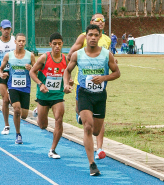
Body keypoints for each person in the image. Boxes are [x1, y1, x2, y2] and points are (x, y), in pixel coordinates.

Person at [64, 24, 120, 176]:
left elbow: (117, 73)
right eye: (90, 35)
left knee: (96, 130)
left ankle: (83, 118)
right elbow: (67, 70)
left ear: (100, 36)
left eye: (96, 35)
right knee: (88, 128)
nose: (93, 38)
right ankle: (92, 164)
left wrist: (104, 77)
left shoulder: (106, 55)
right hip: (84, 94)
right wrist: (66, 83)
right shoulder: (78, 54)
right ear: (86, 37)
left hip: (100, 95)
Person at [66, 13, 111, 160]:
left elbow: (111, 62)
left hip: (99, 85)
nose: (100, 22)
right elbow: (71, 54)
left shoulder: (107, 40)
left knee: (97, 124)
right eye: (97, 20)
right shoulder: (82, 37)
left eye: (102, 20)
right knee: (85, 120)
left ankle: (100, 148)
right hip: (82, 83)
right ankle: (94, 156)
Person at [30, 32, 67, 159]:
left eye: (59, 44)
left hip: (57, 95)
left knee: (59, 119)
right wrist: (40, 84)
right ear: (50, 44)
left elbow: (67, 75)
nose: (57, 46)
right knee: (42, 125)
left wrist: (68, 83)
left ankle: (53, 149)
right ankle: (37, 110)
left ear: (62, 44)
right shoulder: (44, 58)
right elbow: (32, 72)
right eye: (55, 44)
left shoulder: (65, 59)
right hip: (43, 95)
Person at [0, 33, 35, 144]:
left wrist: (31, 68)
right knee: (17, 109)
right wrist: (1, 74)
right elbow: (0, 69)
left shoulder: (30, 56)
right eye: (19, 41)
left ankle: (15, 105)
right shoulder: (9, 55)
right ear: (15, 42)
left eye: (23, 41)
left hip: (25, 88)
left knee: (23, 115)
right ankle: (18, 134)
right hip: (13, 86)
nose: (21, 43)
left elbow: (38, 70)